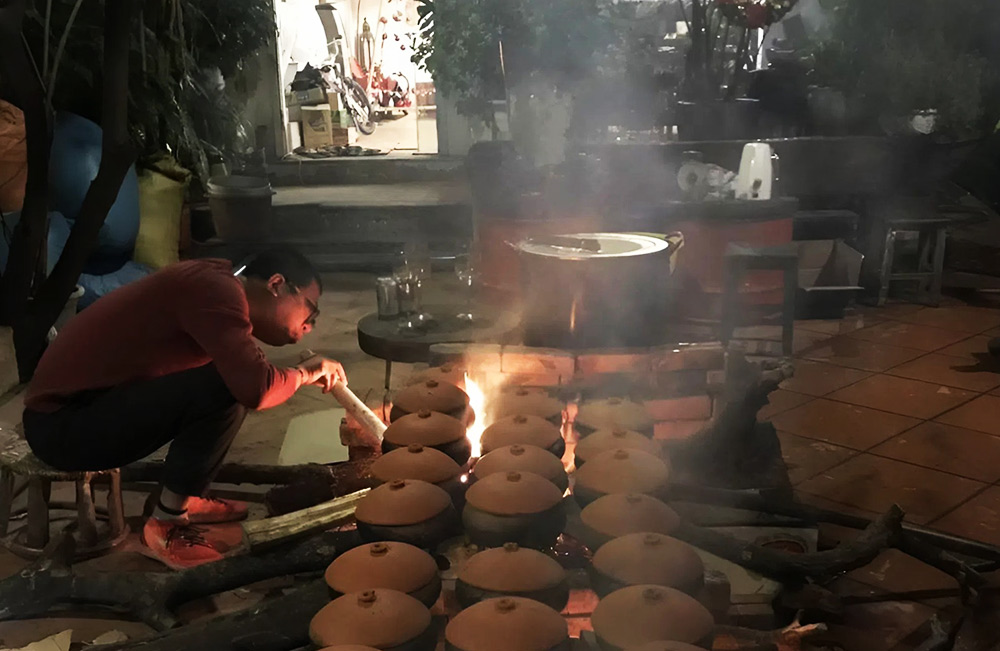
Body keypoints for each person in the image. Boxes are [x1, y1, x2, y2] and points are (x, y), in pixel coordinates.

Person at [22, 249, 347, 569]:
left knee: (228, 378)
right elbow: (257, 389)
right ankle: (167, 524)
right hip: (61, 425)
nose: (310, 326)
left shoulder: (215, 283)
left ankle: (182, 496)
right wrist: (305, 374)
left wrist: (291, 375)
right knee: (228, 384)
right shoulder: (216, 292)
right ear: (276, 284)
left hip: (88, 406)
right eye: (311, 311)